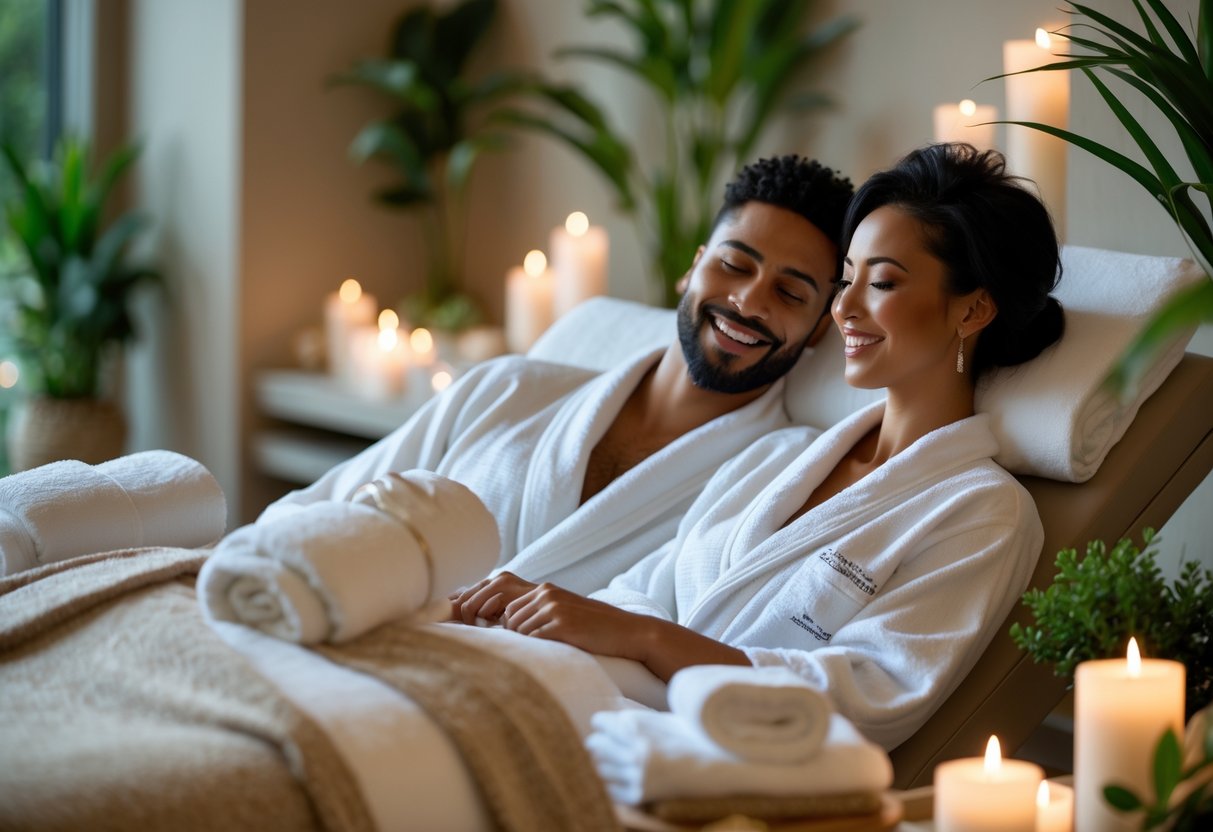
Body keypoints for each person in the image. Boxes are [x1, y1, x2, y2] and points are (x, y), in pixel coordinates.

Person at [452, 142, 1065, 750]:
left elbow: (870, 695)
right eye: (846, 279)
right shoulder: (782, 455)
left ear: (973, 310)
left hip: (708, 759)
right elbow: (637, 590)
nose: (844, 308)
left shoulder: (982, 510)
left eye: (881, 282)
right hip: (585, 704)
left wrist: (646, 639)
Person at [261, 155, 855, 595]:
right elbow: (313, 511)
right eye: (734, 265)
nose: (749, 302)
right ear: (693, 268)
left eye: (790, 292)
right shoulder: (507, 389)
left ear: (818, 330)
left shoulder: (776, 480)